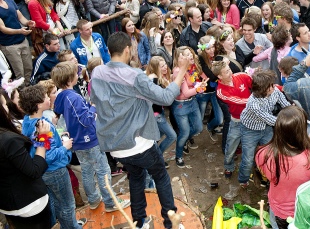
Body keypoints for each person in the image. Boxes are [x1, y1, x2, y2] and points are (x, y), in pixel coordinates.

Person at [90, 32, 189, 229]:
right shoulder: (134, 75)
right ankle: (172, 223)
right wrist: (181, 72)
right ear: (127, 49)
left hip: (115, 146)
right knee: (160, 176)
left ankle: (139, 223)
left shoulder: (98, 72)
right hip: (138, 144)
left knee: (135, 178)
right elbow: (166, 97)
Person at [51, 62, 131, 213]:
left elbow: (61, 113)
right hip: (89, 140)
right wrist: (93, 106)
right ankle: (110, 202)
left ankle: (94, 200)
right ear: (69, 79)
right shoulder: (73, 97)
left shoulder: (61, 96)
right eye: (75, 74)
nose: (77, 75)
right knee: (103, 171)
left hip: (78, 142)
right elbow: (85, 120)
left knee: (87, 171)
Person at [20, 85, 87, 229]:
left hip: (44, 173)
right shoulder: (42, 126)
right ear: (38, 104)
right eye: (45, 97)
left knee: (56, 202)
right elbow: (47, 155)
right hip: (55, 170)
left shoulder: (28, 120)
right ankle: (72, 226)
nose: (49, 98)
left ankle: (67, 224)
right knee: (67, 204)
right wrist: (65, 147)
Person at [255, 106, 310, 229]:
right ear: (302, 131)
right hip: (302, 210)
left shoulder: (263, 153)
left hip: (277, 209)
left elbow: (266, 174)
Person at [0, 96, 51, 229]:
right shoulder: (8, 140)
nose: (8, 108)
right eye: (4, 105)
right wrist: (43, 138)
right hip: (29, 204)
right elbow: (35, 170)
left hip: (7, 205)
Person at [238, 70, 291, 187]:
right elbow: (270, 119)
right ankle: (243, 179)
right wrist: (290, 121)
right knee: (248, 159)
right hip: (250, 130)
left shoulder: (275, 91)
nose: (274, 87)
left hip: (266, 128)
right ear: (263, 89)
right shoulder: (254, 103)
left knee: (270, 154)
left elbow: (284, 103)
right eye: (271, 85)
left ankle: (266, 176)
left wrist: (293, 111)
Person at [211, 60, 252, 179]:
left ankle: (249, 170)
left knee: (250, 148)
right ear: (219, 76)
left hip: (251, 118)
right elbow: (238, 101)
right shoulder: (221, 91)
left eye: (229, 69)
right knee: (230, 148)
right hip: (237, 120)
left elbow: (258, 85)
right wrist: (255, 102)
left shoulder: (241, 75)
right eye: (226, 72)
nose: (230, 73)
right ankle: (228, 167)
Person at [0, 0, 35, 86]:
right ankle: (22, 93)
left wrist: (28, 22)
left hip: (22, 40)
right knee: (19, 73)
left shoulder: (10, 1)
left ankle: (28, 89)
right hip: (9, 45)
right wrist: (19, 31)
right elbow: (3, 28)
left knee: (29, 68)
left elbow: (21, 18)